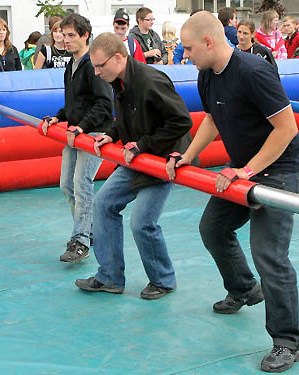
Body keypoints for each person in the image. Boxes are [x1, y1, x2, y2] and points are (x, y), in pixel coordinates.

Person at [169, 11, 299, 372]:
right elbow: (213, 120)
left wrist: (246, 170)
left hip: (279, 171)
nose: (185, 56)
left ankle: (289, 340)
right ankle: (245, 289)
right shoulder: (205, 76)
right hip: (244, 170)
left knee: (269, 255)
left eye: (188, 48)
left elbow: (286, 128)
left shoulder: (253, 71)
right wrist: (187, 156)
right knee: (212, 228)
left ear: (208, 42)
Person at [75, 32, 195, 299]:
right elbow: (128, 117)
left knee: (142, 222)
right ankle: (109, 277)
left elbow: (181, 122)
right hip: (139, 158)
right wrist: (112, 133)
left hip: (162, 160)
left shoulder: (151, 81)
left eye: (99, 66)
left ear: (118, 58)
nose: (95, 72)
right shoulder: (118, 81)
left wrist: (143, 145)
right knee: (103, 204)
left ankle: (163, 280)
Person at [41, 14, 113, 263]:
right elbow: (74, 103)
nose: (65, 39)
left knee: (82, 184)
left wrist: (82, 127)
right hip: (75, 132)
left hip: (92, 135)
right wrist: (58, 118)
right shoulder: (71, 66)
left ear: (85, 36)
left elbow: (105, 104)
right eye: (63, 34)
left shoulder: (93, 66)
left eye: (72, 35)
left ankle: (80, 240)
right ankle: (90, 232)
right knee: (67, 186)